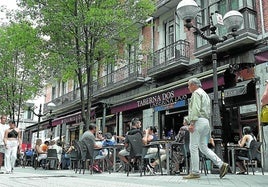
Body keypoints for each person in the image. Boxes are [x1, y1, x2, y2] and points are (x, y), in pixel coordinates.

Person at [183, 78, 229, 179]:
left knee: (193, 147)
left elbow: (196, 109)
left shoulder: (196, 93)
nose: (188, 87)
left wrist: (192, 123)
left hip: (198, 122)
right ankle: (221, 164)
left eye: (189, 85)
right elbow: (205, 111)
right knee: (203, 147)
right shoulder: (205, 94)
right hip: (206, 122)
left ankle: (195, 172)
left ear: (194, 85)